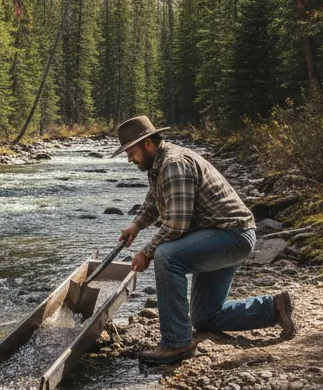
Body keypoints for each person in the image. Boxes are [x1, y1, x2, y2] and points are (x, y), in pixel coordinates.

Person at [112, 115, 295, 365]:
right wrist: (136, 224)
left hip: (231, 236)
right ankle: (272, 308)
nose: (129, 158)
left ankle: (176, 343)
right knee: (205, 317)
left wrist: (146, 253)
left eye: (130, 152)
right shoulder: (159, 164)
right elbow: (155, 199)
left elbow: (177, 225)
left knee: (166, 256)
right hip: (218, 235)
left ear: (148, 144)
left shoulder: (173, 164)